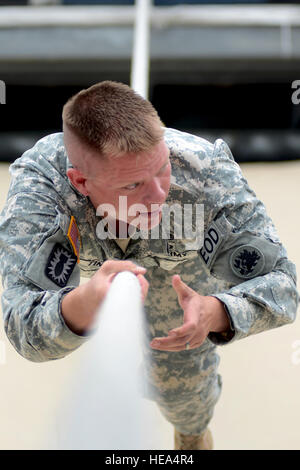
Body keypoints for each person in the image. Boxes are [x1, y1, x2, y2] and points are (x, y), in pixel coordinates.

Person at [0, 81, 298, 450]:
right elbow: (22, 325)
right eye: (133, 184)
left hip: (179, 274)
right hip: (95, 266)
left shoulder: (203, 170)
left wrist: (215, 310)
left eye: (162, 169)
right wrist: (84, 303)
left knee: (185, 396)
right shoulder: (42, 188)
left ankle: (191, 436)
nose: (158, 195)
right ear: (80, 181)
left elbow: (284, 286)